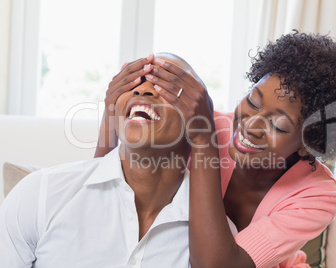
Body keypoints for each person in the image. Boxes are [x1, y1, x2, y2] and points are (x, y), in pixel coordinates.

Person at [96, 32, 336, 268]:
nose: (251, 125)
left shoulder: (319, 194)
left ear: (308, 144)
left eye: (278, 124)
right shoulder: (208, 124)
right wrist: (111, 112)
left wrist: (204, 142)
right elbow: (100, 198)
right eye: (252, 102)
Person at [0, 54, 201, 267]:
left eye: (167, 84)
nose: (143, 89)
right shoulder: (39, 194)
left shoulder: (210, 239)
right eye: (135, 81)